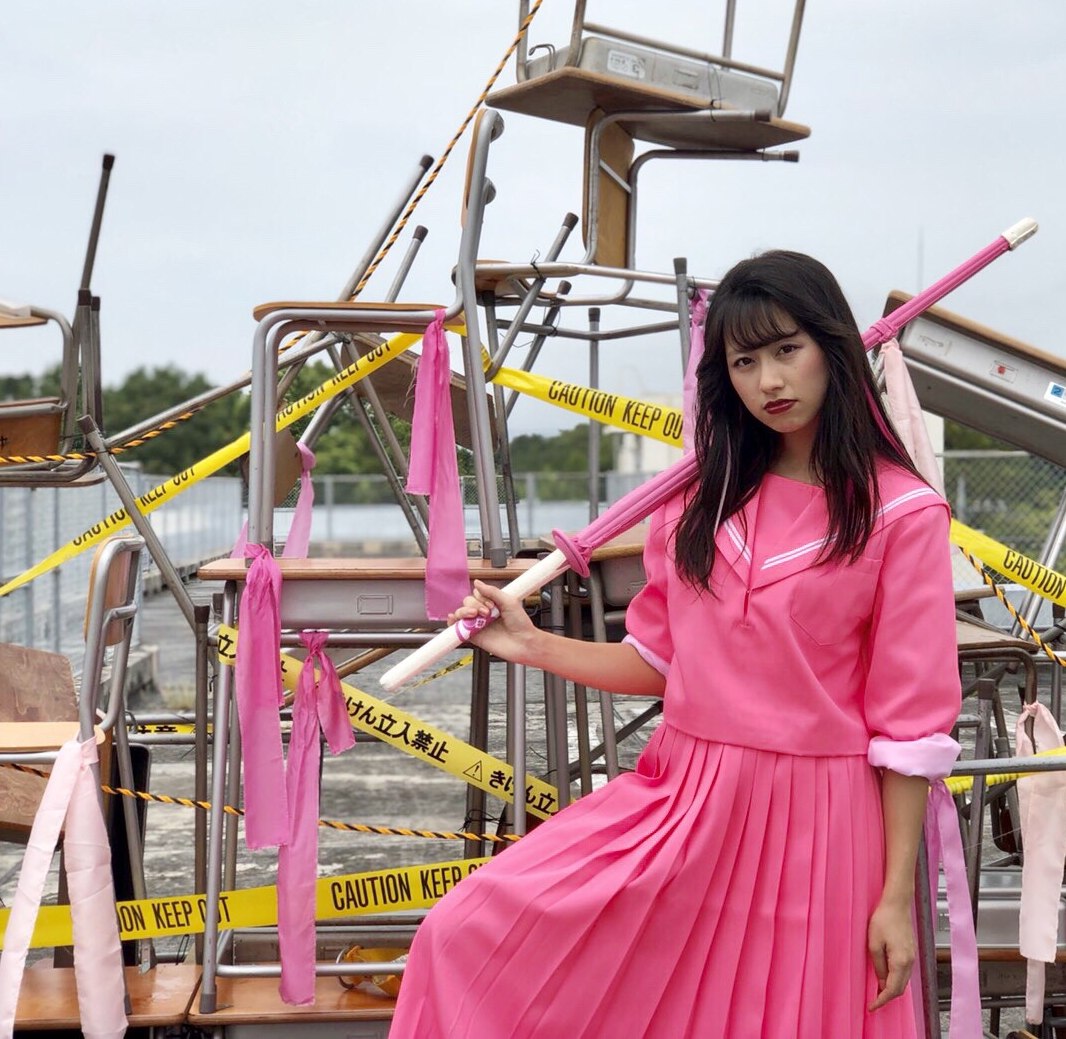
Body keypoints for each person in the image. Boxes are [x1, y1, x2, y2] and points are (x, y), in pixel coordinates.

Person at [388, 251, 961, 1038]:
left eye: (787, 350)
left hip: (824, 826)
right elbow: (658, 664)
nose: (769, 381)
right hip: (685, 802)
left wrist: (895, 896)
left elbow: (909, 734)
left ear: (832, 346)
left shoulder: (902, 514)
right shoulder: (697, 499)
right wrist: (531, 644)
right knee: (465, 931)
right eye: (745, 362)